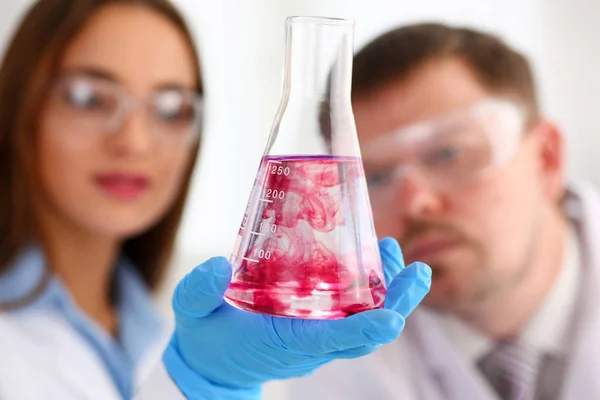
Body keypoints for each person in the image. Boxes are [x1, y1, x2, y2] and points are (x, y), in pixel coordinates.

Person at [0, 1, 431, 399]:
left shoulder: (165, 320)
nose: (133, 142)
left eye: (171, 108)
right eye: (90, 99)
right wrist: (204, 378)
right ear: (19, 105)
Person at [282, 22, 600, 399]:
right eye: (375, 177)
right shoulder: (334, 356)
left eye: (449, 154)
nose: (415, 202)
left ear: (546, 158)